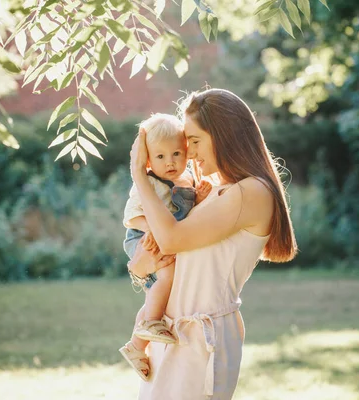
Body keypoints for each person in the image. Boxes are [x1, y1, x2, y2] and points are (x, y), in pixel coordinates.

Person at [126, 88, 298, 400]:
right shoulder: (218, 191)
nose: (188, 153)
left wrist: (140, 174)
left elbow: (171, 239)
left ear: (223, 135)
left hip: (200, 343)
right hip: (171, 332)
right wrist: (139, 268)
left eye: (194, 140)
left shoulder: (251, 193)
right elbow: (168, 252)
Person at [119, 113, 212, 381]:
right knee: (167, 275)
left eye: (176, 154)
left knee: (157, 295)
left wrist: (200, 199)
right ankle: (151, 324)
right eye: (160, 157)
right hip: (142, 236)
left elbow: (187, 220)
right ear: (148, 160)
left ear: (186, 153)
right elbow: (132, 215)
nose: (169, 162)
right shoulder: (148, 183)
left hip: (165, 238)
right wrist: (151, 231)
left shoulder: (187, 183)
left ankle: (136, 346)